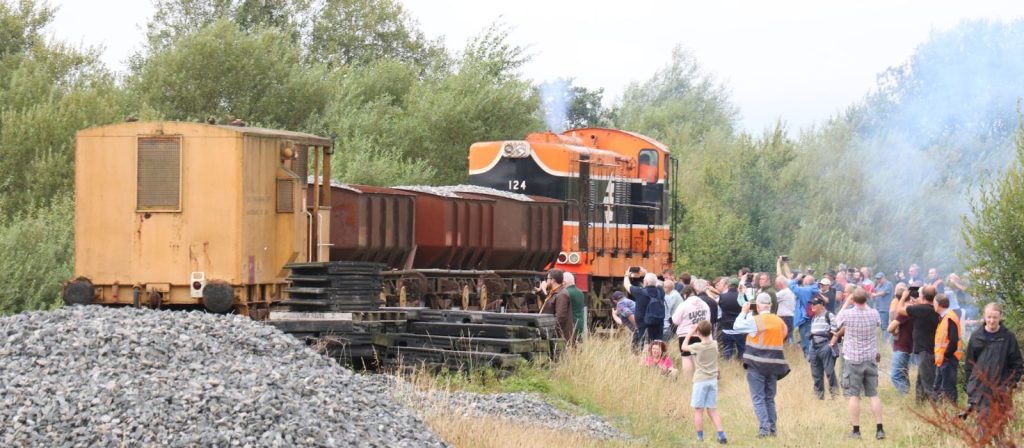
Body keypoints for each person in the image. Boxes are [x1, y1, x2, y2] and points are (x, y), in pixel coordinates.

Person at [733, 292, 790, 438]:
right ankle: (773, 429)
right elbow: (784, 335)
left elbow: (736, 326)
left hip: (756, 364)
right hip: (774, 365)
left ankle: (764, 430)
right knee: (769, 398)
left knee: (758, 398)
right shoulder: (779, 322)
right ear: (770, 305)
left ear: (757, 307)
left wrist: (743, 312)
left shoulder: (755, 321)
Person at [833, 288, 885, 440]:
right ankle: (880, 429)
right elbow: (877, 323)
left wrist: (847, 302)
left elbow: (837, 320)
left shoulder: (848, 314)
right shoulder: (874, 313)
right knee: (873, 394)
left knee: (854, 395)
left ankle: (856, 431)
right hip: (870, 358)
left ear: (853, 300)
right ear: (867, 300)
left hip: (853, 359)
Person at [963, 303, 1024, 420]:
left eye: (995, 317)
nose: (991, 321)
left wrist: (1009, 385)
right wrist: (970, 386)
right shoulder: (976, 337)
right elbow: (970, 364)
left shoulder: (1008, 337)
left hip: (1001, 390)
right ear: (984, 317)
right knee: (983, 425)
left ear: (1000, 317)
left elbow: (1017, 364)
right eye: (989, 317)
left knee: (999, 425)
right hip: (980, 390)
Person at [682, 320, 727, 444]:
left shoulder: (697, 346)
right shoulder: (715, 344)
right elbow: (707, 336)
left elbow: (683, 347)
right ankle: (721, 434)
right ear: (710, 331)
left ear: (698, 332)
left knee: (698, 410)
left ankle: (700, 437)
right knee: (712, 409)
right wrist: (700, 330)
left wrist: (690, 333)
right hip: (712, 380)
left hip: (700, 380)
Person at [896, 285, 941, 403]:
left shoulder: (923, 309)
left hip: (926, 350)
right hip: (928, 349)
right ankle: (920, 405)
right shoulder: (931, 309)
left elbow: (899, 309)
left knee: (928, 382)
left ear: (923, 296)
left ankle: (938, 411)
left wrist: (904, 297)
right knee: (921, 380)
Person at [779, 257, 817, 359]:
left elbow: (791, 284)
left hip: (805, 320)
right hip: (811, 318)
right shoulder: (815, 288)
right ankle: (810, 358)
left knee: (806, 342)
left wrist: (797, 278)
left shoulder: (804, 291)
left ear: (805, 282)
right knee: (809, 340)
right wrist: (785, 263)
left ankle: (810, 360)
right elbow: (789, 278)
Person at [673, 285, 711, 376]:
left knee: (686, 357)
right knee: (699, 358)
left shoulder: (684, 305)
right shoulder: (704, 304)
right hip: (701, 334)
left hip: (685, 334)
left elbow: (676, 320)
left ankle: (688, 379)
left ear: (685, 295)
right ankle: (701, 377)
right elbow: (708, 320)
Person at [624, 268, 665, 349]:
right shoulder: (660, 291)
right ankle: (659, 360)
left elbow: (626, 285)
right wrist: (647, 273)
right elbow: (657, 283)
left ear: (645, 282)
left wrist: (626, 275)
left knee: (644, 347)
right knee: (658, 346)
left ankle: (646, 361)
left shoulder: (640, 292)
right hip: (658, 324)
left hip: (644, 325)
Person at [933, 293, 963, 404]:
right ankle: (940, 411)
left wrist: (946, 356)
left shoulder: (950, 317)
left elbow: (953, 340)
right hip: (943, 360)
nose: (933, 305)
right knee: (939, 386)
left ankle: (951, 410)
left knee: (948, 387)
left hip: (948, 359)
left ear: (938, 304)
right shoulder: (945, 317)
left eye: (934, 303)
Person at [808, 297, 839, 399]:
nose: (812, 306)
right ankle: (819, 396)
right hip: (814, 346)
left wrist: (831, 344)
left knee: (829, 372)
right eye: (811, 304)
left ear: (821, 304)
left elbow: (836, 332)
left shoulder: (829, 315)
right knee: (816, 373)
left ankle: (835, 395)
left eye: (815, 304)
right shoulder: (814, 318)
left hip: (825, 345)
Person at [886, 283, 914, 395]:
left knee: (895, 375)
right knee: (903, 372)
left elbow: (890, 328)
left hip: (902, 346)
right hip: (907, 345)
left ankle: (905, 396)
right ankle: (907, 393)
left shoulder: (905, 310)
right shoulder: (911, 307)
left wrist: (894, 331)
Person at [718, 278, 746, 361]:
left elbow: (721, 308)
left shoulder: (722, 297)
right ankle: (742, 366)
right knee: (742, 351)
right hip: (740, 328)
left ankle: (728, 367)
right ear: (738, 286)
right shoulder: (742, 297)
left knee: (727, 351)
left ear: (729, 285)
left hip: (727, 328)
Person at [550, 270, 574, 342]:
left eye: (547, 279)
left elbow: (560, 316)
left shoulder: (562, 294)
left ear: (553, 280)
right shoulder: (556, 292)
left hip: (560, 334)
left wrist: (549, 327)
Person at [564, 272, 586, 344]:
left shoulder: (566, 292)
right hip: (580, 323)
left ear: (564, 282)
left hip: (570, 324)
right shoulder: (580, 292)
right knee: (577, 345)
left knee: (570, 345)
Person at [872, 273, 894, 341]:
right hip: (879, 308)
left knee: (885, 326)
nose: (878, 280)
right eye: (877, 279)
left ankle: (886, 342)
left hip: (885, 308)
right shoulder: (878, 286)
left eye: (880, 278)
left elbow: (884, 293)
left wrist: (875, 294)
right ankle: (886, 341)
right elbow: (874, 295)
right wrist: (873, 295)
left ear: (884, 278)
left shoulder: (888, 284)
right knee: (882, 326)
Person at [774, 276, 796, 344]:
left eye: (776, 283)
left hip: (784, 317)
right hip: (790, 317)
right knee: (789, 335)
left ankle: (787, 349)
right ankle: (790, 350)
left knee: (784, 336)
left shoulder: (783, 292)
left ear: (780, 283)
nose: (776, 285)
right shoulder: (790, 291)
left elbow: (772, 298)